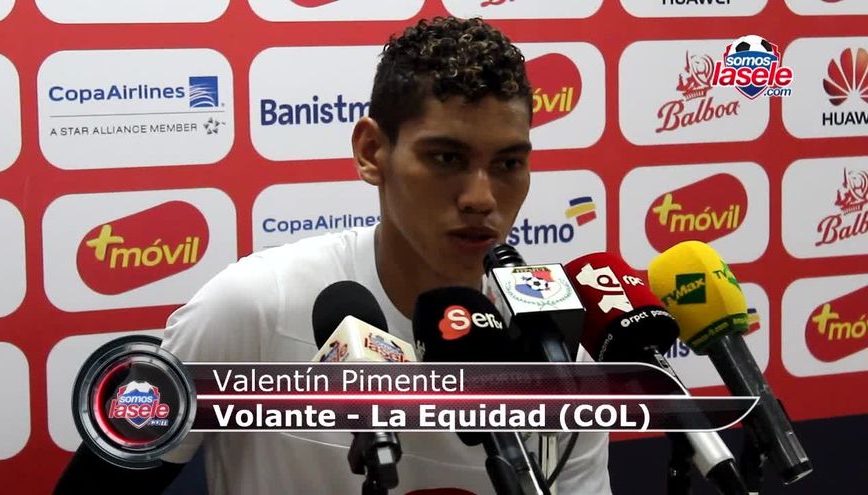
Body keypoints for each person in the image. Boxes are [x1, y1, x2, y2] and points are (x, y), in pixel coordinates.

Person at [55, 16, 611, 494]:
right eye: (446, 158)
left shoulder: (559, 360)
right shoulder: (251, 306)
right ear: (372, 152)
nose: (481, 198)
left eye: (509, 164)